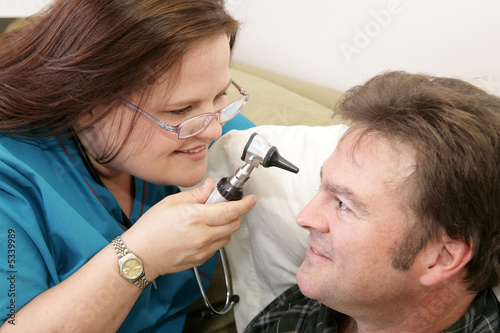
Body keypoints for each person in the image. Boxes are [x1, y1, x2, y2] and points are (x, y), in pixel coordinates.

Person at [0, 0, 257, 331]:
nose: (215, 130)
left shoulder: (208, 126)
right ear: (88, 104)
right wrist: (140, 256)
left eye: (220, 95)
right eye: (181, 111)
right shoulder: (13, 181)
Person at [244, 71, 500, 333]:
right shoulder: (307, 308)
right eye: (322, 188)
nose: (304, 217)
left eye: (344, 204)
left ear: (441, 258)